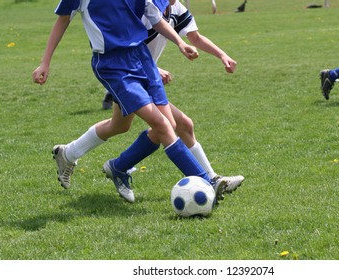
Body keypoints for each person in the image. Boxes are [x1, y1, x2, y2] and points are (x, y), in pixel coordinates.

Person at [32, 0, 226, 204]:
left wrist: (181, 43)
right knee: (161, 125)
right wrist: (45, 62)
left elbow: (155, 18)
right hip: (113, 65)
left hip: (143, 60)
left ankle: (106, 164)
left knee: (161, 125)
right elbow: (62, 20)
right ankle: (206, 182)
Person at [101, 0, 245, 200]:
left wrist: (222, 55)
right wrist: (154, 69)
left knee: (177, 125)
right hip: (131, 74)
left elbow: (194, 37)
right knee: (156, 126)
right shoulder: (143, 7)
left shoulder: (176, 9)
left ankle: (104, 162)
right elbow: (129, 43)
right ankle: (116, 165)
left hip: (145, 77)